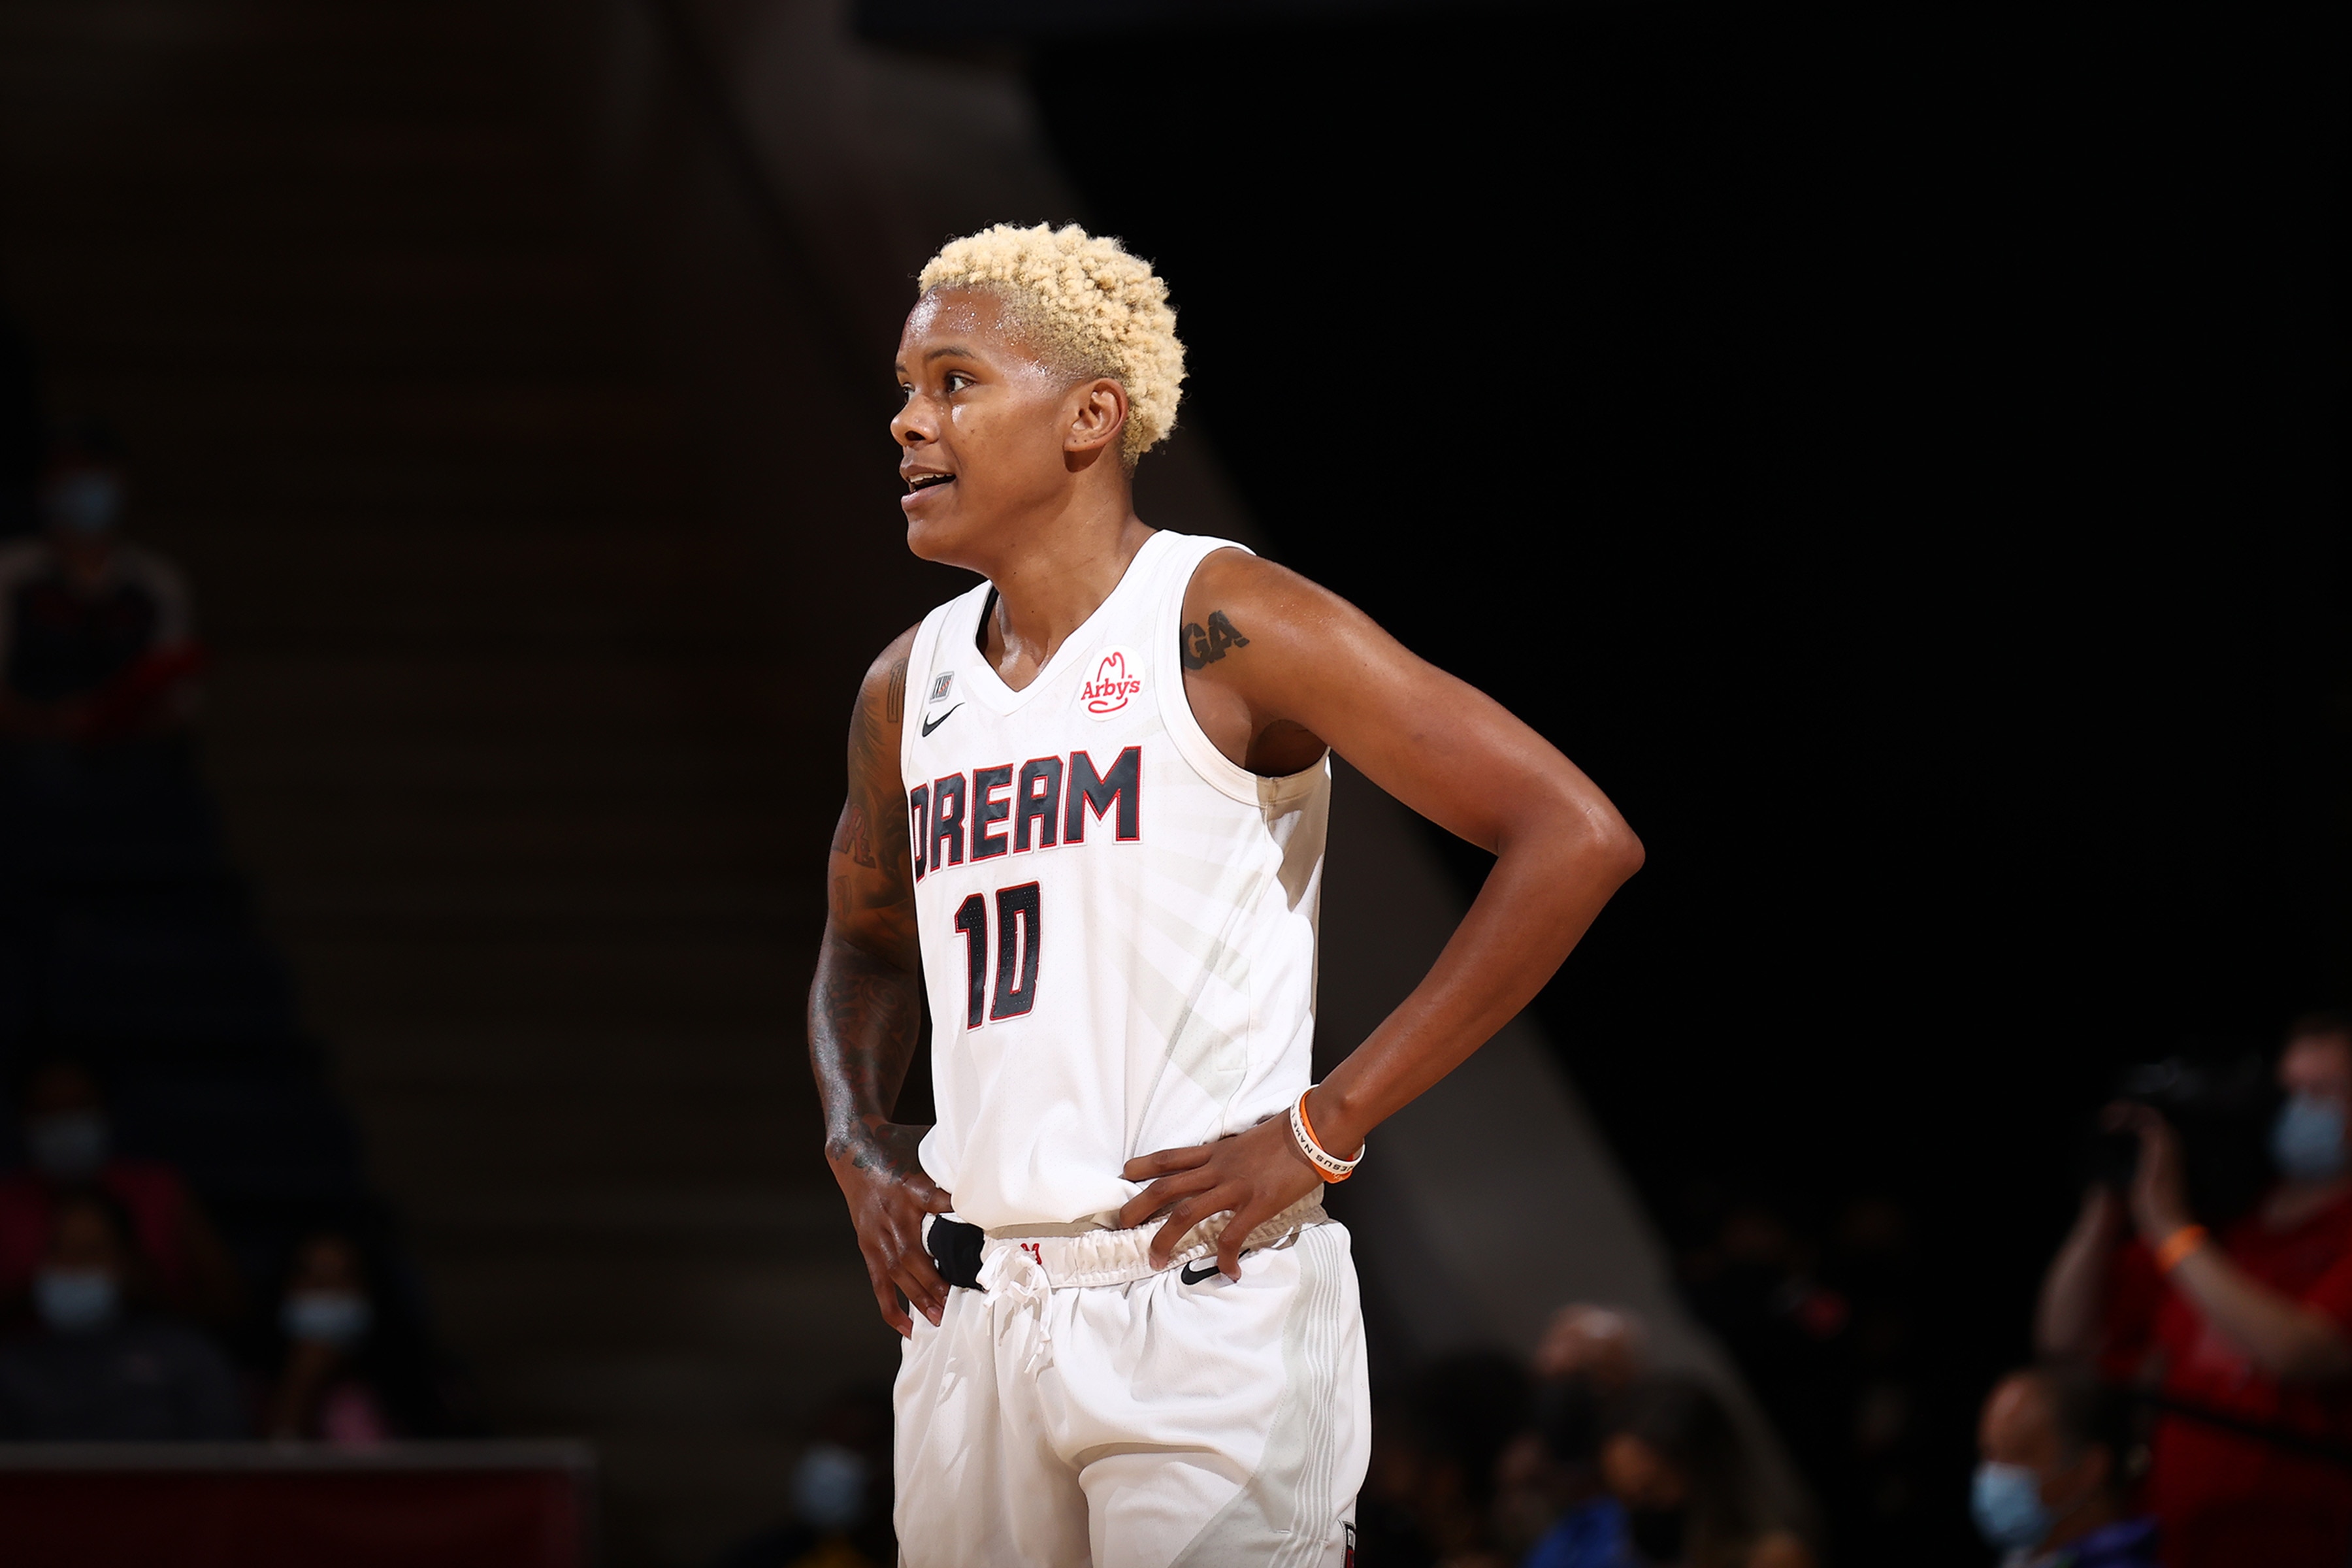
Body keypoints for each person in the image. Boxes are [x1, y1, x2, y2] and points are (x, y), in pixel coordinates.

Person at [809, 222, 1644, 1568]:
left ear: (1091, 415)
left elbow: (1572, 834)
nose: (907, 423)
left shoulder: (1225, 619)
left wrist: (1328, 1126)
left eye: (953, 382)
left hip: (1202, 1300)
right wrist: (856, 1139)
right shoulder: (909, 683)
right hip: (977, 1316)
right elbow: (863, 940)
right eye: (907, 389)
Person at [2035, 1010, 2352, 1566]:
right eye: (2290, 1090)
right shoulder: (2227, 1220)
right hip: (2178, 1542)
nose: (2299, 1109)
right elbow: (2065, 1341)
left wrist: (2170, 1230)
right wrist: (2104, 1212)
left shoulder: (2192, 1236)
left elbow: (2304, 1349)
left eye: (2322, 1092)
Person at [0, 1059, 244, 1326]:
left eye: (79, 1107)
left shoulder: (160, 1189)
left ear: (106, 1111)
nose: (64, 1125)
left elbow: (232, 1307)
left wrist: (145, 1293)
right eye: (47, 1112)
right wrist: (33, 1294)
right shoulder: (6, 1200)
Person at [0, 431, 201, 743]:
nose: (83, 484)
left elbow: (178, 699)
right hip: (30, 755)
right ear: (45, 486)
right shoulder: (12, 574)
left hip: (132, 753)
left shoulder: (156, 582)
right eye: (69, 473)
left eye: (95, 472)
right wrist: (53, 722)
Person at [0, 1189, 244, 1439]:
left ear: (127, 1264)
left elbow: (224, 1460)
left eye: (90, 1252)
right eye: (58, 1250)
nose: (71, 1265)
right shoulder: (11, 1369)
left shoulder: (188, 1359)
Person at [1598, 1376, 1809, 1568]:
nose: (1639, 1513)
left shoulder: (1771, 1557)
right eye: (1627, 1498)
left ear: (1705, 1474)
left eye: (1650, 1491)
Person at [1972, 1363, 2157, 1567]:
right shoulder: (2026, 1559)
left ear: (2091, 1468)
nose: (1995, 1474)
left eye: (2019, 1454)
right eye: (1990, 1453)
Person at [1515, 1306, 1650, 1568]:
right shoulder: (1531, 1490)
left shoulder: (1671, 1471)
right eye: (1554, 1379)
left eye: (1583, 1375)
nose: (1566, 1397)